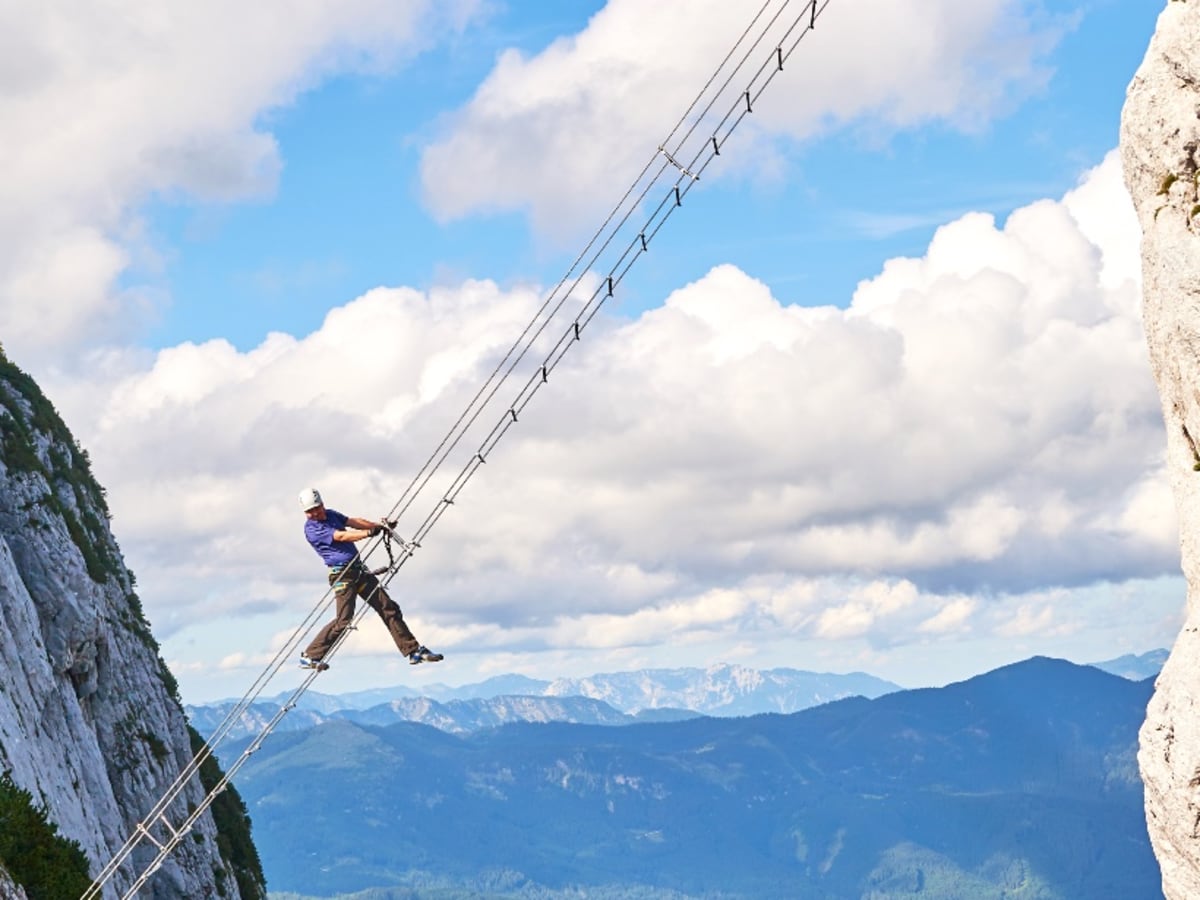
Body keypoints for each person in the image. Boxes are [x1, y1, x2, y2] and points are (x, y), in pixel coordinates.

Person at [297, 487, 443, 670]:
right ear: (305, 512)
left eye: (317, 507)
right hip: (342, 575)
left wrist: (377, 526)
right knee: (344, 619)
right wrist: (368, 534)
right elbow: (341, 536)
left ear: (322, 504)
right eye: (311, 511)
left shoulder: (330, 514)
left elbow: (354, 522)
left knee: (387, 607)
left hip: (358, 570)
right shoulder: (312, 529)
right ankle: (311, 655)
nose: (316, 513)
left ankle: (413, 651)